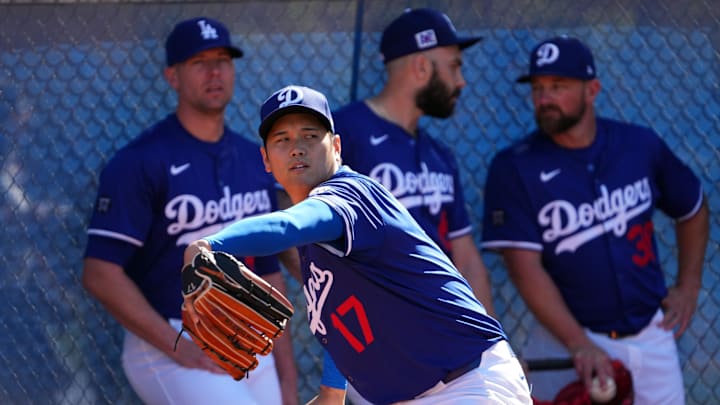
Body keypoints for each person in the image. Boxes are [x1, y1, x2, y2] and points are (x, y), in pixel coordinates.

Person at [183, 84, 532, 405]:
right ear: (266, 160)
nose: (297, 148)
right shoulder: (317, 248)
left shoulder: (350, 196)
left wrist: (209, 244)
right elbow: (346, 317)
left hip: (469, 385)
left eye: (310, 135)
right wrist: (331, 393)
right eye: (282, 139)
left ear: (336, 146)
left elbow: (287, 224)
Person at [481, 36, 710, 404]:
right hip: (565, 340)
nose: (545, 99)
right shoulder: (515, 166)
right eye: (538, 88)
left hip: (652, 334)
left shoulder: (639, 145)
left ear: (593, 90)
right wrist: (578, 343)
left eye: (558, 86)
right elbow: (525, 268)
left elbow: (693, 209)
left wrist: (690, 285)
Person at [82, 17, 299, 405]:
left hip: (251, 334)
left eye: (223, 59)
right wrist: (177, 347)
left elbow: (268, 274)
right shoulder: (141, 161)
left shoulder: (255, 160)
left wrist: (288, 379)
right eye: (199, 61)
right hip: (172, 337)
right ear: (173, 76)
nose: (215, 71)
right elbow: (99, 274)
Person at [333, 8, 496, 317]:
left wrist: (494, 344)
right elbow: (292, 209)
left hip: (440, 321)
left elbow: (466, 257)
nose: (461, 81)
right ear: (421, 66)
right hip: (374, 329)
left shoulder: (439, 154)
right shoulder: (345, 131)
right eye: (454, 67)